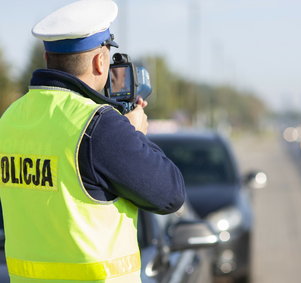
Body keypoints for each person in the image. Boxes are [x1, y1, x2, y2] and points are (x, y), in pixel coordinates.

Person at [0, 1, 185, 282]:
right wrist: (133, 135)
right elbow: (170, 194)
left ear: (47, 57)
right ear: (100, 61)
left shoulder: (10, 119)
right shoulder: (97, 125)